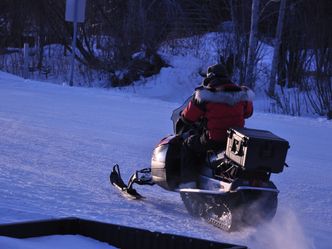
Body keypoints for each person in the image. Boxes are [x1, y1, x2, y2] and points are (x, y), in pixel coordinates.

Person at [179, 64, 254, 188]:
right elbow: (248, 113)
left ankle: (189, 183)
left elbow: (189, 117)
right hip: (235, 140)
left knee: (188, 144)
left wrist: (184, 116)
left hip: (213, 139)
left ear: (210, 77)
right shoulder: (242, 94)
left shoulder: (204, 95)